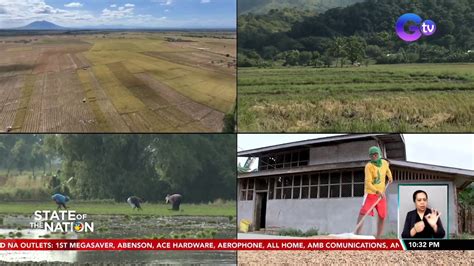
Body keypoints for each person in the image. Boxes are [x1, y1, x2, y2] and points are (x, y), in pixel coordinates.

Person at [355, 146, 393, 238]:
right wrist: (376, 191)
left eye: (376, 154)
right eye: (372, 155)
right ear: (370, 156)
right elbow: (368, 183)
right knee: (363, 212)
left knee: (382, 215)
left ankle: (378, 237)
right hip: (371, 193)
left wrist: (390, 177)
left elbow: (387, 170)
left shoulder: (384, 163)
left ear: (379, 154)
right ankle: (356, 235)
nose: (374, 157)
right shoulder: (369, 166)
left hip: (381, 194)